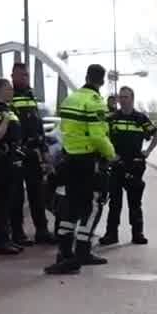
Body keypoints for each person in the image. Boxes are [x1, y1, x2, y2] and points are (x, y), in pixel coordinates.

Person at [43, 63, 117, 275]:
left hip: (70, 159)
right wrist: (111, 155)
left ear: (86, 76)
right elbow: (97, 135)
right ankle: (82, 252)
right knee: (92, 206)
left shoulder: (69, 99)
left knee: (70, 208)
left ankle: (65, 254)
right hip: (89, 161)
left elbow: (64, 130)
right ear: (102, 81)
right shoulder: (95, 103)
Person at [101, 84, 157, 246]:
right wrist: (109, 156)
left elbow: (156, 135)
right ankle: (111, 234)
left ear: (132, 99)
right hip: (116, 165)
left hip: (134, 166)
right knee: (115, 202)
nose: (123, 100)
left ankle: (137, 233)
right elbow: (103, 137)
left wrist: (147, 152)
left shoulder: (140, 119)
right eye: (121, 97)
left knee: (135, 202)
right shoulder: (112, 119)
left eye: (126, 97)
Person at [7, 60, 55, 245]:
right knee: (17, 196)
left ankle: (41, 231)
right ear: (13, 76)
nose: (26, 78)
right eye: (22, 75)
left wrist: (44, 149)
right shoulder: (9, 97)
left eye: (27, 75)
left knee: (37, 193)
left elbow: (37, 125)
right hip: (18, 153)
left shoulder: (30, 95)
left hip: (34, 152)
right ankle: (18, 233)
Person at [0, 77, 26, 256]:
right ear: (0, 90)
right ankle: (0, 241)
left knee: (11, 199)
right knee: (3, 200)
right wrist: (6, 121)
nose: (12, 91)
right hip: (4, 159)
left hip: (13, 158)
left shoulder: (7, 109)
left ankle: (8, 238)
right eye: (9, 88)